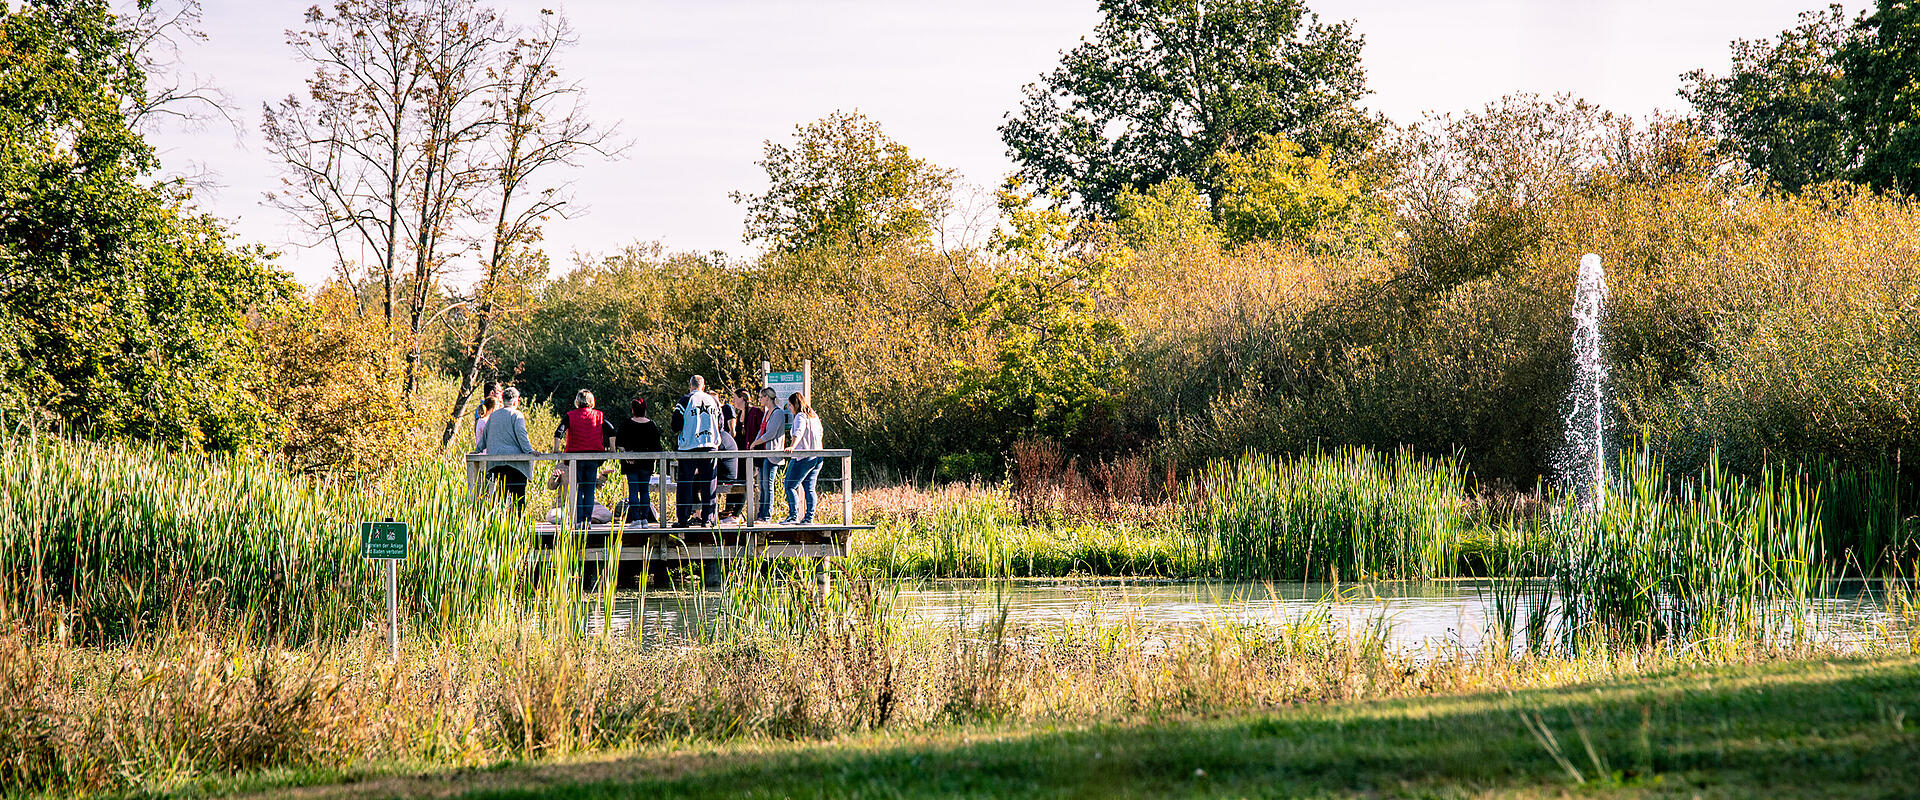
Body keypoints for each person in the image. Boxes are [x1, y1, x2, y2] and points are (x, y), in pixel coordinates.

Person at [554, 389, 617, 525]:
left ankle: (578, 519)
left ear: (577, 401)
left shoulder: (570, 415)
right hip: (593, 457)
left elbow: (559, 431)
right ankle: (587, 520)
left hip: (575, 457)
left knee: (577, 489)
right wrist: (612, 449)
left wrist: (556, 449)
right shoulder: (599, 415)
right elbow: (611, 430)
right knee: (589, 490)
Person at [671, 375, 723, 527]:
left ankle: (683, 519)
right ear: (704, 386)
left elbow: (675, 424)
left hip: (689, 446)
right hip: (710, 444)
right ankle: (708, 519)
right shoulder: (713, 401)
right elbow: (721, 424)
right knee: (709, 484)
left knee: (685, 484)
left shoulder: (685, 400)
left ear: (690, 386)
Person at [478, 387, 536, 507]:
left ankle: (497, 521)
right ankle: (517, 521)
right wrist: (529, 451)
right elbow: (521, 435)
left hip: (496, 463)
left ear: (503, 400)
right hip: (515, 464)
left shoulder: (493, 416)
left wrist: (477, 450)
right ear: (515, 401)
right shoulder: (516, 415)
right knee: (518, 495)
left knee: (500, 495)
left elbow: (485, 436)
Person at [779, 391, 825, 525]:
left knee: (789, 485)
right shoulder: (814, 416)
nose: (789, 408)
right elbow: (820, 433)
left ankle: (793, 516)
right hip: (817, 456)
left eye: (790, 405)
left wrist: (792, 446)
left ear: (795, 404)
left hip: (803, 457)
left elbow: (799, 432)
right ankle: (808, 518)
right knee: (809, 488)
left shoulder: (800, 416)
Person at [748, 386, 790, 523]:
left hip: (772, 453)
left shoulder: (777, 413)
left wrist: (756, 443)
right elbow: (762, 430)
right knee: (762, 485)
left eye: (761, 397)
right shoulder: (767, 413)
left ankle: (766, 515)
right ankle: (761, 513)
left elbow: (770, 433)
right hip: (764, 453)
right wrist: (754, 443)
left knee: (768, 484)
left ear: (767, 397)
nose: (760, 399)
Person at [618, 398, 662, 525]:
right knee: (644, 491)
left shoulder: (626, 424)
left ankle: (636, 518)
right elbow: (657, 447)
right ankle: (645, 518)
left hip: (631, 463)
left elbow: (620, 443)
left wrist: (626, 455)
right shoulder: (652, 425)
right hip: (646, 463)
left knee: (633, 490)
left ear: (633, 410)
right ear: (645, 409)